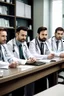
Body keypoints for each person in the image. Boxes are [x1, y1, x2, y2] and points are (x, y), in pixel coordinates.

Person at [7, 26, 36, 96]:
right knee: (18, 89)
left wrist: (32, 58)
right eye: (22, 35)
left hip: (24, 67)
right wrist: (26, 61)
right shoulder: (9, 44)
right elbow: (11, 58)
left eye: (25, 36)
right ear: (17, 34)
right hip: (15, 69)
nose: (24, 38)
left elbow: (28, 53)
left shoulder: (24, 42)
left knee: (31, 80)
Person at [29, 26, 57, 93]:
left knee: (52, 75)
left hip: (45, 64)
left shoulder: (47, 42)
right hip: (36, 65)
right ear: (38, 34)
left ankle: (51, 92)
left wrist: (51, 54)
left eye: (46, 34)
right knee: (40, 82)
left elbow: (49, 51)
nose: (44, 36)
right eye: (43, 34)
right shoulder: (32, 43)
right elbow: (34, 55)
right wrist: (47, 56)